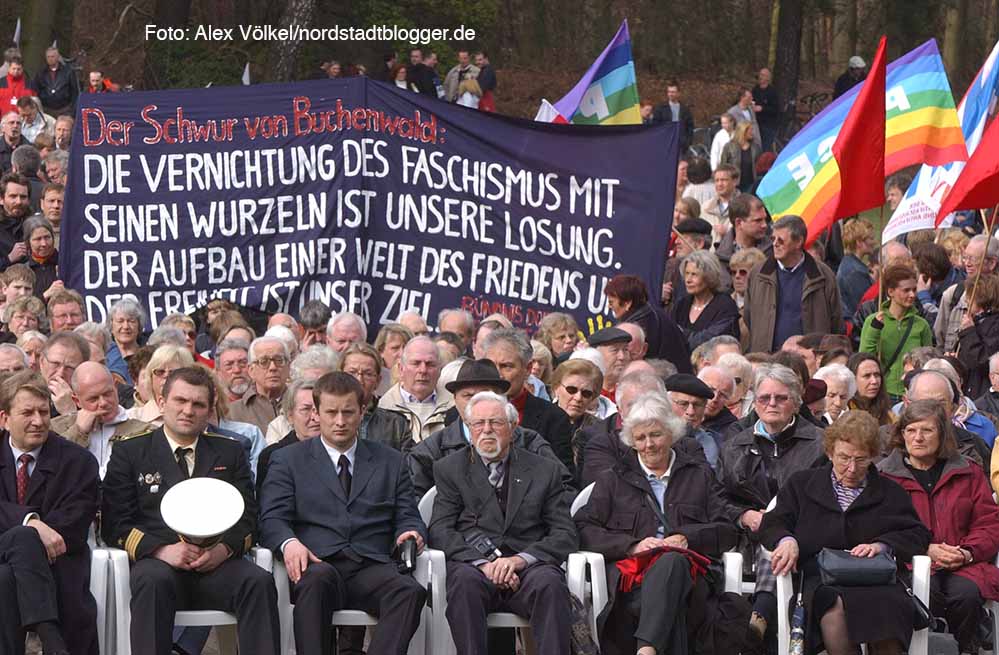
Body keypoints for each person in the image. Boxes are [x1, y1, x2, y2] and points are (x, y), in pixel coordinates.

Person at [101, 366, 280, 655]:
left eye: (198, 404)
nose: (188, 410)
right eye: (180, 401)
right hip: (159, 565)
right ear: (162, 403)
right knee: (152, 581)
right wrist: (161, 551)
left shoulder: (230, 451)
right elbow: (115, 523)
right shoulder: (131, 452)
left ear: (209, 410)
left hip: (217, 565)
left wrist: (223, 550)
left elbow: (248, 518)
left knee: (258, 582)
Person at [259, 372, 427, 655]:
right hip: (316, 562)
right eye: (331, 412)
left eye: (348, 412)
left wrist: (410, 532)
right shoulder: (288, 460)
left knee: (410, 591)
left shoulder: (391, 461)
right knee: (315, 582)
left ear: (362, 411)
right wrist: (289, 543)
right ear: (317, 412)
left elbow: (408, 515)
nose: (340, 421)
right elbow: (272, 518)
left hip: (371, 565)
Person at [575, 392, 742, 655]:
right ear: (632, 441)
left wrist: (687, 538)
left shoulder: (698, 476)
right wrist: (632, 546)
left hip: (691, 574)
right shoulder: (614, 479)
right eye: (640, 438)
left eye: (656, 435)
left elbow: (727, 530)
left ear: (672, 434)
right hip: (633, 578)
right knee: (672, 597)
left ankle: (646, 649)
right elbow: (584, 529)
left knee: (672, 562)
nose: (649, 444)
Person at [761, 410, 931, 655]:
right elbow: (772, 523)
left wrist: (882, 545)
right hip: (819, 579)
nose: (851, 468)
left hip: (875, 578)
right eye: (843, 458)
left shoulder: (890, 492)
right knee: (834, 605)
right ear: (830, 453)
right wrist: (786, 540)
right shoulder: (802, 484)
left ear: (873, 456)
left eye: (861, 459)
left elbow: (917, 534)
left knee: (888, 608)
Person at [428, 390, 578, 655]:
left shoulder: (545, 470)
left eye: (496, 422)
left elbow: (564, 533)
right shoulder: (449, 468)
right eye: (478, 423)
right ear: (469, 428)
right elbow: (440, 529)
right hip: (476, 567)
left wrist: (519, 560)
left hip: (529, 569)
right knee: (463, 584)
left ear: (513, 426)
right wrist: (484, 565)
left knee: (551, 585)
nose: (487, 430)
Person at [878, 400, 999, 653]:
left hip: (964, 562)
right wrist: (924, 549)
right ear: (901, 434)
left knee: (966, 594)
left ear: (942, 434)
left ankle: (966, 649)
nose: (918, 438)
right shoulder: (884, 476)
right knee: (923, 593)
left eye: (927, 430)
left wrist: (966, 552)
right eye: (911, 430)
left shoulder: (968, 471)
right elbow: (880, 527)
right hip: (908, 564)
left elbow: (989, 523)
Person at [717, 363, 826, 638]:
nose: (772, 403)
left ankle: (760, 614)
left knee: (777, 535)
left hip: (803, 534)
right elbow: (717, 497)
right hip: (747, 537)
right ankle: (761, 617)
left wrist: (779, 520)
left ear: (796, 402)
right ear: (754, 402)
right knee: (771, 533)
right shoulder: (734, 446)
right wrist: (744, 516)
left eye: (781, 397)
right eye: (764, 397)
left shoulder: (820, 444)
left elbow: (828, 495)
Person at [0, 369, 100, 655]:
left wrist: (25, 528)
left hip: (59, 559)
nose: (38, 421)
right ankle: (51, 639)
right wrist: (31, 522)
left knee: (5, 578)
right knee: (22, 540)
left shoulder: (78, 461)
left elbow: (73, 524)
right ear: (4, 419)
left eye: (44, 412)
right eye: (27, 413)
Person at [408, 358, 570, 498]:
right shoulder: (430, 451)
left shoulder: (529, 442)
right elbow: (412, 501)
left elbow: (564, 489)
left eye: (485, 395)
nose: (476, 403)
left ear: (503, 400)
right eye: (468, 396)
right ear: (455, 400)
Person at [743, 214, 843, 353]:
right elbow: (748, 317)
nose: (775, 244)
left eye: (781, 240)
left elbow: (836, 321)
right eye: (773, 239)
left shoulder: (823, 276)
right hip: (767, 358)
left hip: (810, 358)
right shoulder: (758, 274)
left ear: (798, 242)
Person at [480, 328, 574, 469]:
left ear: (528, 369)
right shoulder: (461, 414)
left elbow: (564, 476)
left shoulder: (554, 418)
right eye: (492, 366)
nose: (498, 375)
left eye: (506, 366)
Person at [50, 361, 151, 479]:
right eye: (93, 399)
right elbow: (52, 467)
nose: (103, 403)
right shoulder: (56, 428)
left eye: (107, 394)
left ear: (115, 387)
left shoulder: (144, 430)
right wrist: (78, 432)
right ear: (77, 401)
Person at [859, 263, 932, 400]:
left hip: (912, 393)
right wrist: (875, 329)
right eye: (906, 290)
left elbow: (928, 363)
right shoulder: (872, 321)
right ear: (890, 292)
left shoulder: (922, 325)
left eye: (914, 289)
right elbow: (865, 358)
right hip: (883, 393)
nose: (912, 295)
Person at [605, 274, 693, 374]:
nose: (609, 306)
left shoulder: (636, 330)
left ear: (627, 303)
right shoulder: (655, 314)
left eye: (611, 302)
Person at [378, 335, 454, 444]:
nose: (423, 370)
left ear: (439, 370)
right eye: (416, 363)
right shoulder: (383, 409)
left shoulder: (454, 409)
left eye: (430, 364)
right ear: (401, 369)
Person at [337, 342, 410, 450]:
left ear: (378, 381)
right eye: (352, 372)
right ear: (339, 376)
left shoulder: (395, 424)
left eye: (367, 374)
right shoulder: (324, 417)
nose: (359, 380)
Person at [935, 234, 999, 352]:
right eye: (965, 257)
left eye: (974, 259)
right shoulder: (953, 294)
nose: (967, 263)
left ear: (992, 263)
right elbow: (940, 343)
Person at [670, 250, 740, 350]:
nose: (688, 280)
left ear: (709, 277)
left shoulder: (725, 306)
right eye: (687, 273)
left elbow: (709, 342)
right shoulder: (682, 304)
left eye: (694, 274)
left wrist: (680, 333)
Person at [228, 336, 290, 434]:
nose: (273, 367)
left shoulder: (302, 404)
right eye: (264, 362)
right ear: (251, 370)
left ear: (288, 366)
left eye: (279, 360)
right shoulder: (233, 412)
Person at [956, 273, 999, 399]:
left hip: (983, 393)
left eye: (970, 296)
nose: (966, 301)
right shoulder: (977, 322)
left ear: (982, 298)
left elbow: (983, 361)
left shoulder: (995, 325)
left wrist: (968, 332)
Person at [715, 194, 772, 267]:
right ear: (739, 223)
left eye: (765, 219)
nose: (764, 225)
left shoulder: (773, 251)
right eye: (758, 220)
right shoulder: (719, 257)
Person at [837, 219, 875, 321]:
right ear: (859, 242)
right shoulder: (854, 272)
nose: (874, 242)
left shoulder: (851, 265)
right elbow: (867, 307)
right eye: (871, 238)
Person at [847, 352, 895, 426]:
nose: (874, 381)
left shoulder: (889, 416)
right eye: (867, 376)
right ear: (852, 379)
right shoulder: (844, 411)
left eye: (877, 375)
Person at [700, 165, 741, 243]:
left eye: (724, 180)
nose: (719, 184)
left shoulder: (745, 207)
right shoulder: (705, 207)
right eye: (717, 180)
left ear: (735, 182)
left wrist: (728, 233)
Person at [33, 48, 78, 116]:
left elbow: (74, 92)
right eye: (48, 57)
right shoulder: (41, 73)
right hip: (45, 109)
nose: (50, 59)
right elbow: (35, 90)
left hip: (64, 109)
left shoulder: (68, 72)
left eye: (52, 56)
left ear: (58, 57)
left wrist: (72, 109)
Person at [652, 81, 695, 153]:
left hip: (681, 144)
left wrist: (688, 142)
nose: (670, 94)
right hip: (665, 143)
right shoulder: (661, 109)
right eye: (669, 92)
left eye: (673, 92)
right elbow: (655, 126)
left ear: (678, 93)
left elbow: (690, 126)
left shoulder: (685, 109)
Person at [719, 122, 761, 193]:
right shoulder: (729, 147)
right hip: (734, 184)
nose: (752, 132)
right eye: (750, 130)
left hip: (751, 184)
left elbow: (759, 165)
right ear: (743, 131)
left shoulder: (755, 147)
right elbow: (723, 166)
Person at [752, 67, 780, 152]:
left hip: (768, 125)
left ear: (768, 78)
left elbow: (775, 109)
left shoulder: (772, 92)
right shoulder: (755, 89)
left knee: (766, 148)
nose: (760, 77)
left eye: (763, 75)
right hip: (756, 123)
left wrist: (762, 108)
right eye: (760, 74)